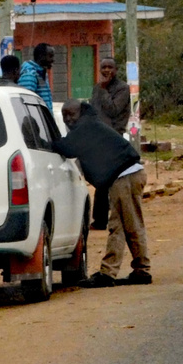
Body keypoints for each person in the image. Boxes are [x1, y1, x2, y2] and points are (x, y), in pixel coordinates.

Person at [53, 100, 151, 287]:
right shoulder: (90, 124)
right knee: (122, 226)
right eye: (65, 115)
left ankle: (133, 270)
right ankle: (122, 271)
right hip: (126, 176)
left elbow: (65, 148)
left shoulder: (86, 128)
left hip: (125, 177)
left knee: (128, 225)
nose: (68, 119)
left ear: (81, 113)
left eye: (71, 114)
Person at [90, 57, 132, 135]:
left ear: (116, 70)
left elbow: (113, 111)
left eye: (110, 67)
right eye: (104, 67)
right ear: (100, 70)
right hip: (97, 132)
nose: (106, 70)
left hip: (114, 134)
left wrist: (103, 89)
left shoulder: (122, 88)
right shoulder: (97, 87)